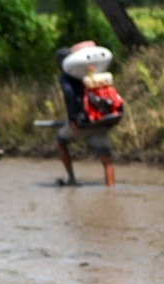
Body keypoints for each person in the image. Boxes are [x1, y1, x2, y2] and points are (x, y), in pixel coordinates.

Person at [55, 47, 116, 187]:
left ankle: (71, 179)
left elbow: (69, 95)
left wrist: (73, 118)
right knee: (106, 159)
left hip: (82, 121)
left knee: (61, 141)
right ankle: (111, 191)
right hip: (101, 119)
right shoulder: (90, 71)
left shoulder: (66, 77)